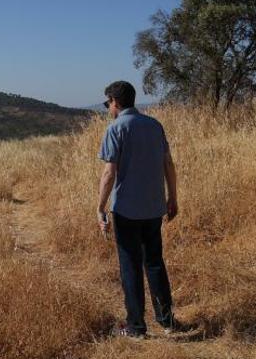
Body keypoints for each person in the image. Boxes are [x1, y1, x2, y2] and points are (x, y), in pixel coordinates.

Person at [97, 80, 183, 339]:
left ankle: (135, 327)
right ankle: (167, 321)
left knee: (130, 267)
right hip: (154, 207)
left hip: (126, 210)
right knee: (155, 263)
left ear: (115, 101)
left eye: (107, 103)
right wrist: (173, 198)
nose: (107, 108)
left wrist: (99, 208)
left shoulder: (116, 129)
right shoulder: (155, 126)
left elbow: (109, 173)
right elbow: (168, 164)